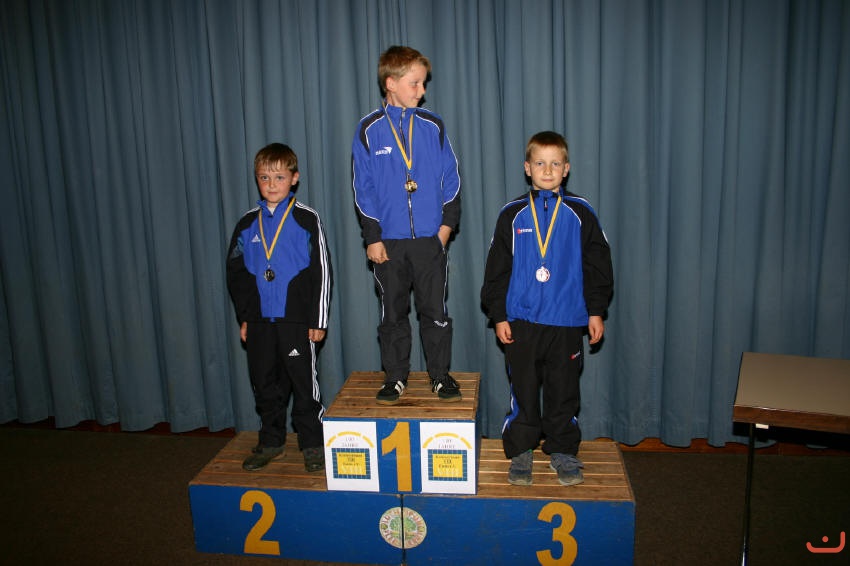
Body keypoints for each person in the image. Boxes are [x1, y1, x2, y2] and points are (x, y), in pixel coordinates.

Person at [481, 131, 613, 486]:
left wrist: (595, 310)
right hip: (521, 321)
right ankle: (521, 448)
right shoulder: (511, 214)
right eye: (540, 163)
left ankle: (563, 449)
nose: (548, 170)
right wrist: (499, 315)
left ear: (566, 168)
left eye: (556, 163)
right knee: (523, 389)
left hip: (566, 321)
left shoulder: (581, 212)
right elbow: (497, 269)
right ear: (527, 168)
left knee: (563, 390)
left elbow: (598, 265)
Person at [351, 45, 462, 405]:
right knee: (393, 313)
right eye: (415, 83)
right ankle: (395, 377)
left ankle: (440, 376)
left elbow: (452, 179)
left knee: (435, 312)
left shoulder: (433, 126)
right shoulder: (368, 130)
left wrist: (444, 231)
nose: (422, 91)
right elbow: (363, 188)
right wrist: (373, 237)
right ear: (391, 83)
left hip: (430, 240)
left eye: (423, 83)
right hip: (389, 243)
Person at [226, 143, 332, 473]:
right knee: (264, 384)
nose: (271, 184)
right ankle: (271, 441)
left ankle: (312, 443)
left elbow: (322, 271)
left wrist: (318, 318)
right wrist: (245, 317)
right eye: (264, 177)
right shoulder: (247, 224)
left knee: (303, 385)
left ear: (294, 178)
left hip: (296, 321)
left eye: (279, 177)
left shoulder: (306, 218)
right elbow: (236, 274)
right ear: (256, 179)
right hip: (259, 321)